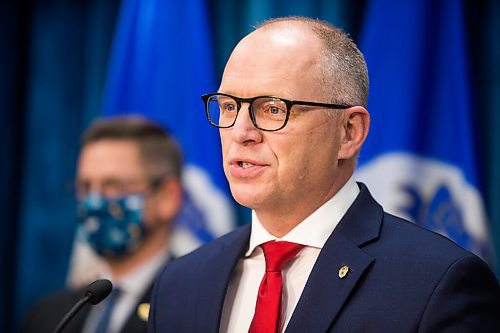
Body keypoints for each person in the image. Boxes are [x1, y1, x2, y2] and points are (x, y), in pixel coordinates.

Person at [147, 16, 500, 332]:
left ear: (349, 132)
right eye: (228, 106)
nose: (240, 132)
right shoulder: (181, 283)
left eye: (272, 109)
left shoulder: (437, 283)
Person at [20, 117, 183, 333]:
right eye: (86, 186)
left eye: (113, 185)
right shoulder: (48, 315)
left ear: (167, 197)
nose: (94, 201)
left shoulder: (191, 310)